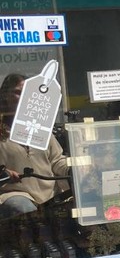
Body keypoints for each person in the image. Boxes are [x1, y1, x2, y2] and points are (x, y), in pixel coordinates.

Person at [0, 73, 69, 218]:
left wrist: (71, 170)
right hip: (15, 194)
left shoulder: (40, 127)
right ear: (5, 96)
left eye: (27, 92)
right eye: (18, 92)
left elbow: (57, 160)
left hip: (50, 195)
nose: (23, 96)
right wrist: (4, 172)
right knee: (24, 209)